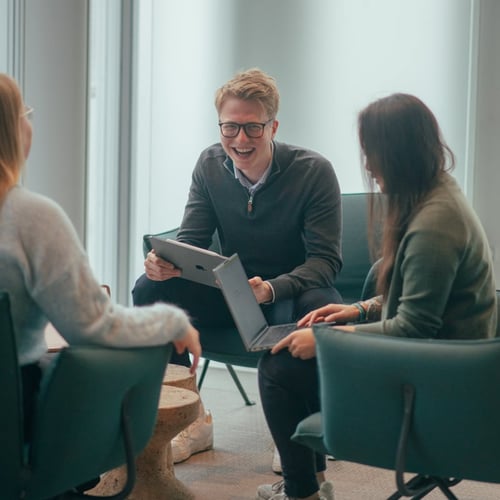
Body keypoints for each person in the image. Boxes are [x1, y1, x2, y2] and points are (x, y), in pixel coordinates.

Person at [256, 93, 497, 500]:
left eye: (373, 153)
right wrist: (358, 309)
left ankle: (302, 492)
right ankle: (307, 486)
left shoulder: (434, 225)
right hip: (445, 368)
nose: (368, 165)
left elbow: (415, 326)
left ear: (398, 153)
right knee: (292, 358)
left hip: (437, 385)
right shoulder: (437, 193)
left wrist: (328, 340)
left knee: (278, 370)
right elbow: (425, 299)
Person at [132, 68, 343, 464]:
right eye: (230, 128)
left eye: (252, 128)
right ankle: (190, 420)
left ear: (273, 126)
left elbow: (325, 262)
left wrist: (270, 288)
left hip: (289, 295)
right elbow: (192, 241)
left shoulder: (313, 171)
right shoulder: (209, 164)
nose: (240, 140)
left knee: (322, 304)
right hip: (230, 294)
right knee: (148, 288)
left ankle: (303, 434)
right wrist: (164, 263)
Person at [0, 73, 202, 455]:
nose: (31, 122)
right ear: (11, 131)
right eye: (25, 111)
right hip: (12, 425)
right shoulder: (30, 217)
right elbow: (94, 328)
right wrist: (173, 322)